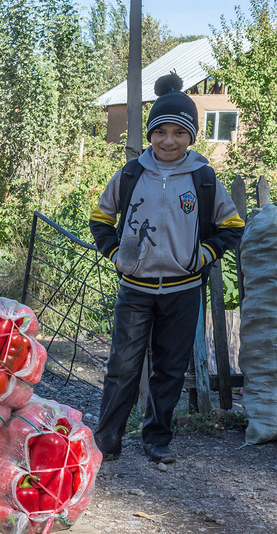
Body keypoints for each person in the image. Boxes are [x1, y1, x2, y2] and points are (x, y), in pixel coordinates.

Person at [88, 73, 245, 463]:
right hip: (136, 290)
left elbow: (232, 226)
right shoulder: (131, 175)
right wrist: (116, 256)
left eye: (179, 132)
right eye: (161, 131)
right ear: (151, 133)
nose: (168, 140)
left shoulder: (203, 178)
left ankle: (156, 438)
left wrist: (203, 256)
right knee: (121, 367)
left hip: (183, 291)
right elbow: (100, 217)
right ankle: (106, 440)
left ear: (191, 136)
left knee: (170, 370)